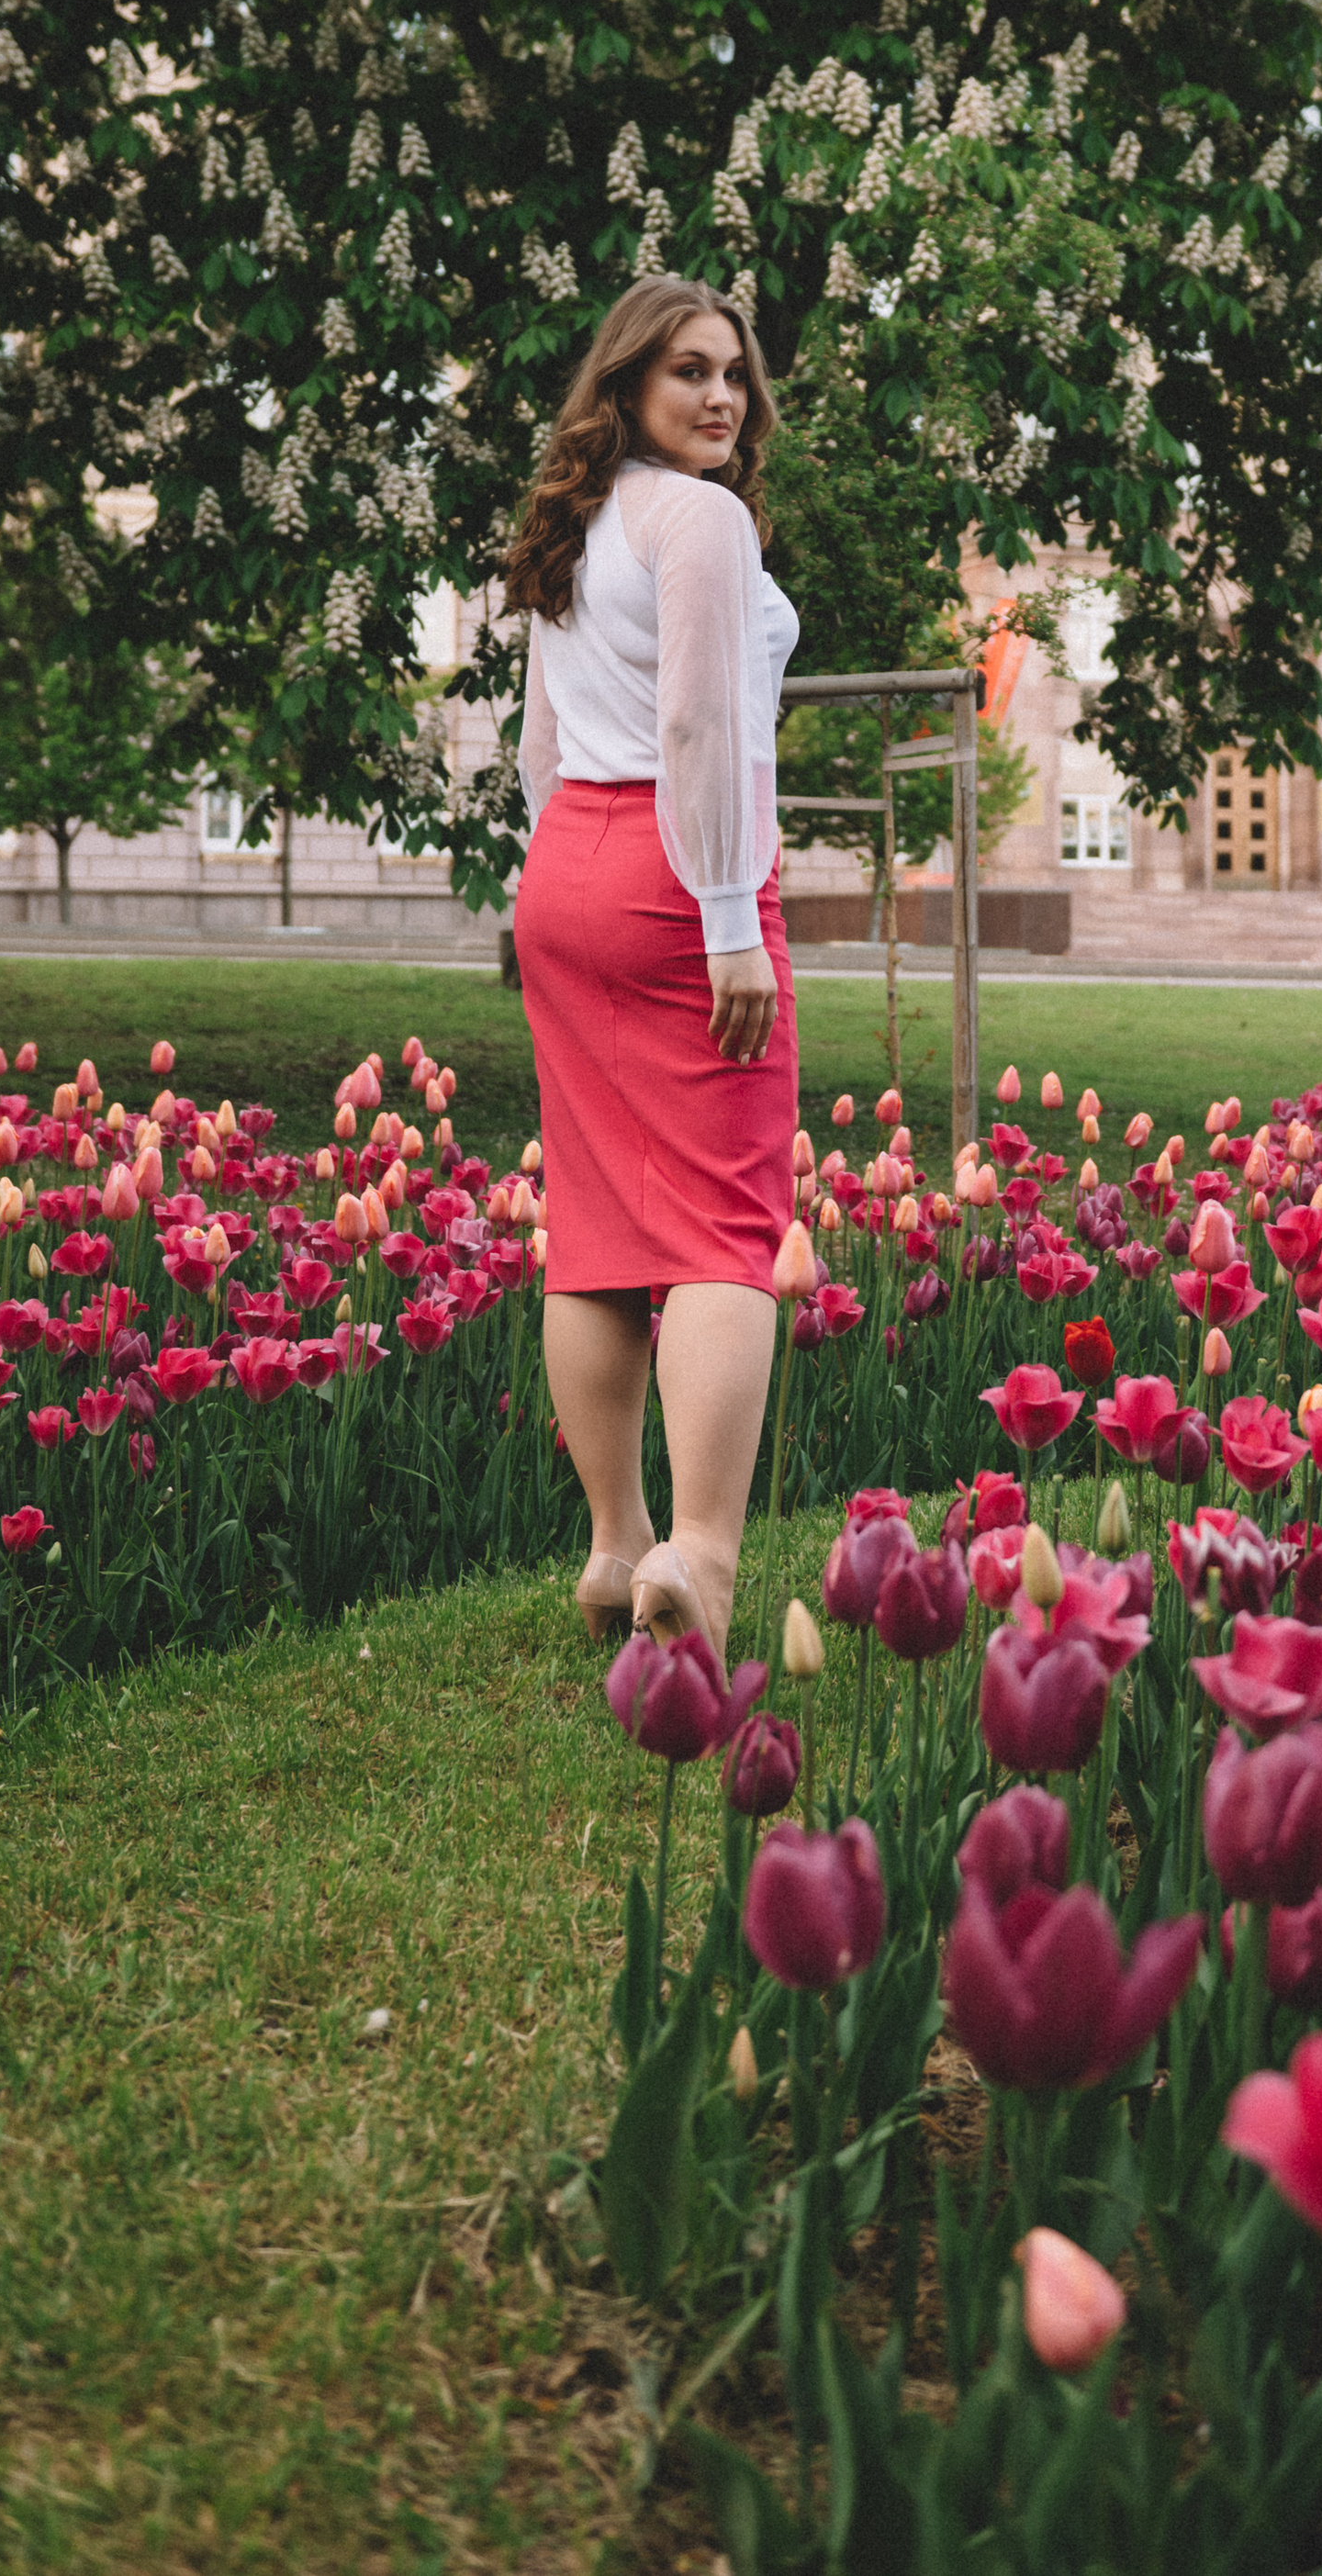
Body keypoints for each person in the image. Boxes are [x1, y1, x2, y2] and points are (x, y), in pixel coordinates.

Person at [506, 274, 800, 1658]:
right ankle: (705, 1554)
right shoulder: (699, 516)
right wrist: (728, 912)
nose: (721, 396)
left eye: (733, 373)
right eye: (688, 370)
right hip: (683, 872)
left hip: (567, 864)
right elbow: (697, 723)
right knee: (730, 1227)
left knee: (600, 1227)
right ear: (623, 383)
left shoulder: (575, 521)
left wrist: (549, 886)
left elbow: (537, 746)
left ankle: (614, 1539)